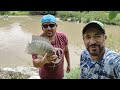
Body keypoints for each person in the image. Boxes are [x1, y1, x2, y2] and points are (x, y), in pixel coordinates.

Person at [32, 14, 70, 79]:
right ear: (42, 27)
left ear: (56, 26)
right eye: (45, 26)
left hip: (59, 75)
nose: (49, 28)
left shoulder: (62, 37)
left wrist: (69, 64)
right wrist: (44, 60)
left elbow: (66, 51)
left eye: (51, 25)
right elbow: (35, 63)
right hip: (45, 76)